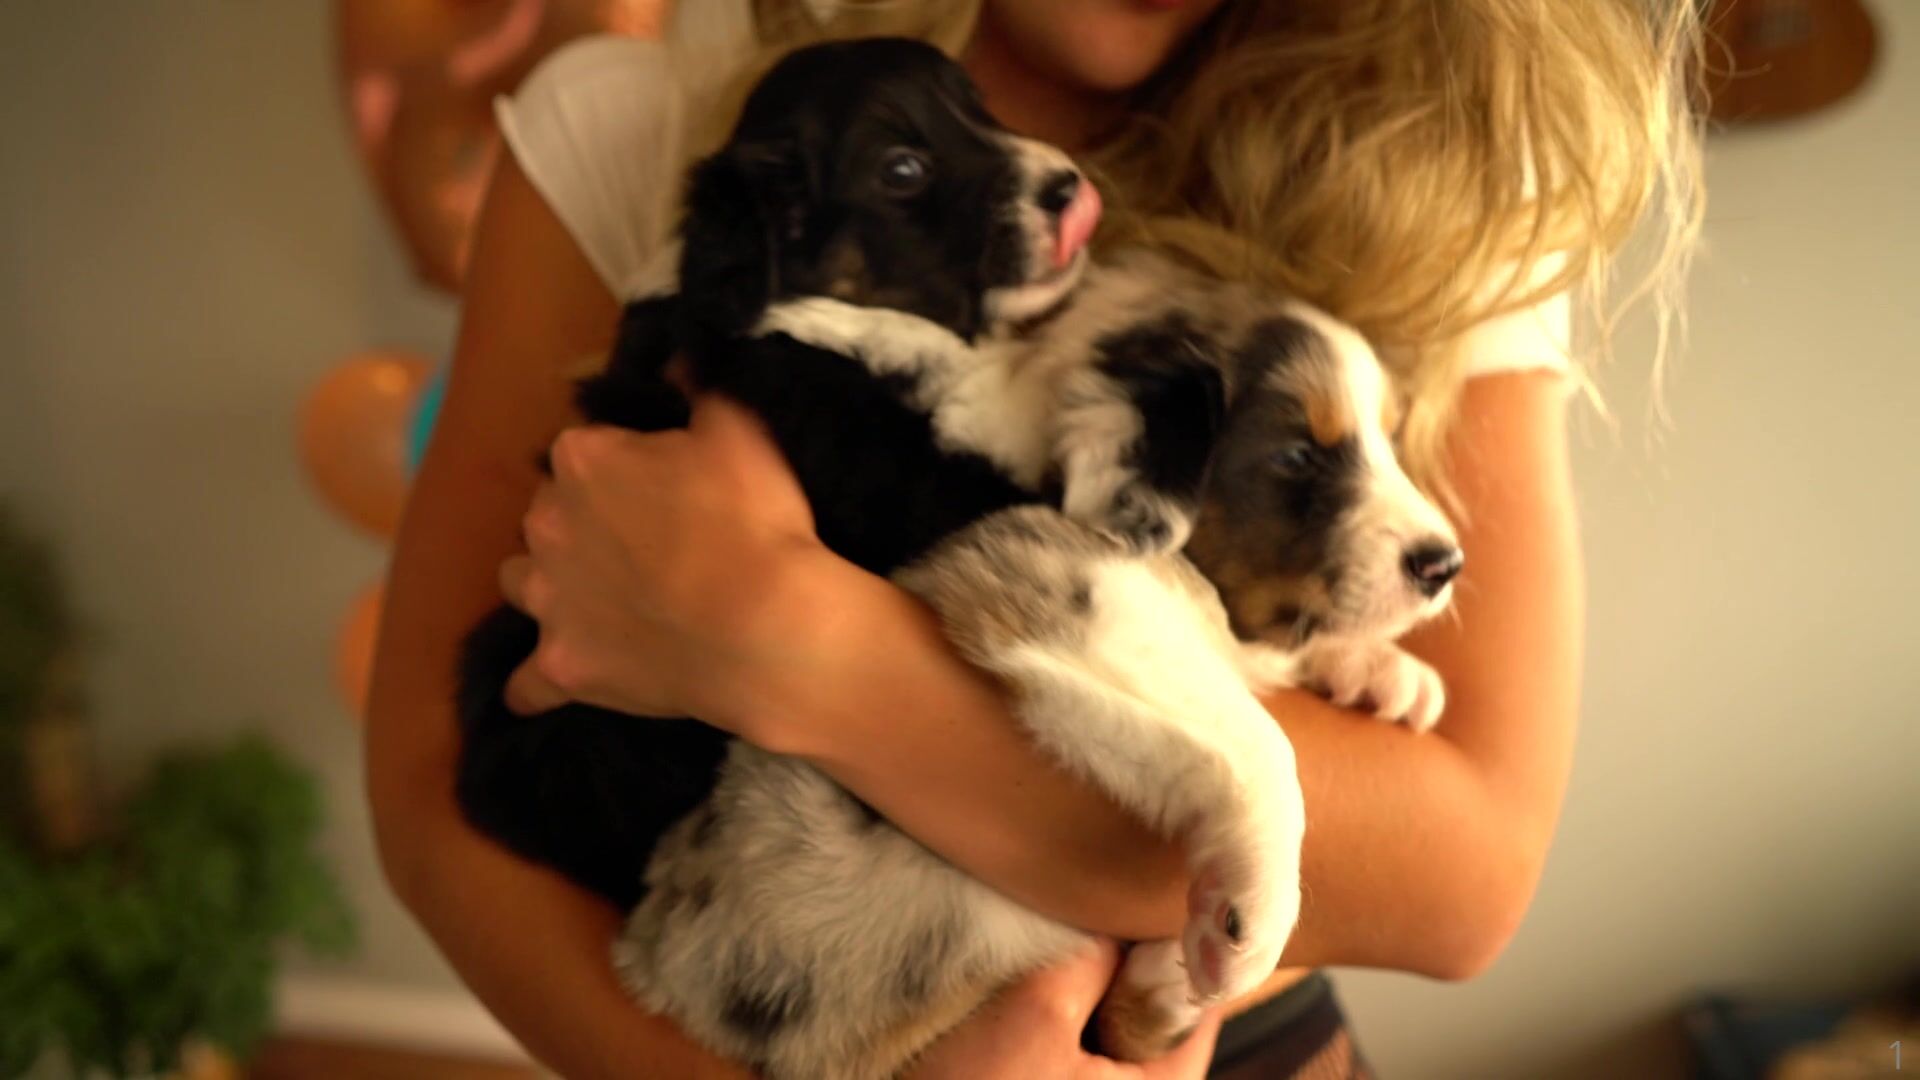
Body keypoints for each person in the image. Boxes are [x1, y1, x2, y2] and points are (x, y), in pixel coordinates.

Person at [365, 1, 1702, 1076]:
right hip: (741, 1017)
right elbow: (438, 783)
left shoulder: (1443, 186)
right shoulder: (639, 131)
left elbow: (1467, 870)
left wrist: (797, 642)